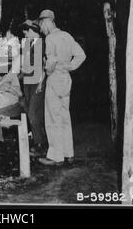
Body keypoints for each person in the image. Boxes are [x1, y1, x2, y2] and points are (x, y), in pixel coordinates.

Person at [37, 9, 86, 166]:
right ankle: (68, 153)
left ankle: (55, 157)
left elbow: (50, 62)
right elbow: (81, 55)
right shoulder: (67, 36)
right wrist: (69, 66)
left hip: (55, 79)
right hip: (66, 80)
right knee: (65, 117)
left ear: (46, 22)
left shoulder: (51, 38)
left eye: (41, 26)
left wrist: (48, 70)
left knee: (52, 118)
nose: (42, 30)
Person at [19, 20, 48, 156]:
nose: (25, 34)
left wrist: (41, 83)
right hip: (29, 82)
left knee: (33, 113)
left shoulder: (41, 45)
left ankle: (39, 144)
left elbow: (42, 66)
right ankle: (41, 140)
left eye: (26, 31)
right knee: (33, 111)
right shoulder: (31, 44)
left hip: (37, 83)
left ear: (32, 31)